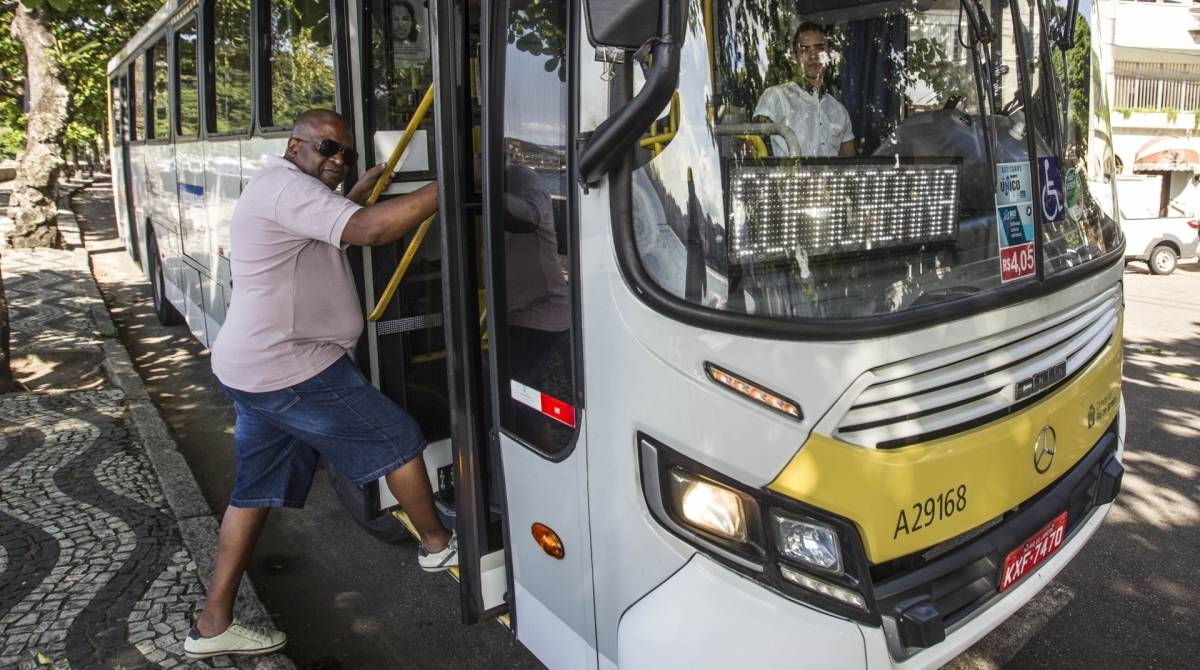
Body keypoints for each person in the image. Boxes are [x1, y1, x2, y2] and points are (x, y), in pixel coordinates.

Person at [183, 109, 451, 660]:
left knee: (253, 491)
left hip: (253, 368)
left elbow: (332, 230)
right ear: (294, 145)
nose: (336, 160)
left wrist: (350, 193)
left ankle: (213, 625)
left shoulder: (288, 188)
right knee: (397, 439)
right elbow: (370, 231)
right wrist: (456, 180)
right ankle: (438, 546)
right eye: (328, 149)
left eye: (345, 154)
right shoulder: (285, 189)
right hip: (290, 369)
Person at [754, 22, 857, 157]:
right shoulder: (776, 97)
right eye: (804, 50)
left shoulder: (839, 111)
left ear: (830, 53)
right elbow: (755, 146)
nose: (813, 56)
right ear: (794, 57)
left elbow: (851, 164)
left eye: (819, 48)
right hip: (786, 178)